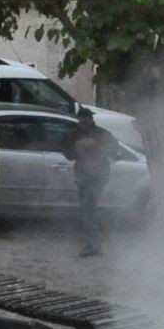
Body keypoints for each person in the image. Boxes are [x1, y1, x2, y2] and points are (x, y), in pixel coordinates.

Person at [67, 106, 112, 260]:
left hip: (98, 176)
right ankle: (94, 243)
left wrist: (95, 146)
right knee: (87, 211)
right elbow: (67, 153)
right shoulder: (74, 135)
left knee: (88, 210)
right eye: (82, 118)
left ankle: (93, 245)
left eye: (87, 118)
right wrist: (77, 148)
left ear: (91, 119)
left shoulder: (101, 134)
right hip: (83, 176)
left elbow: (113, 149)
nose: (84, 121)